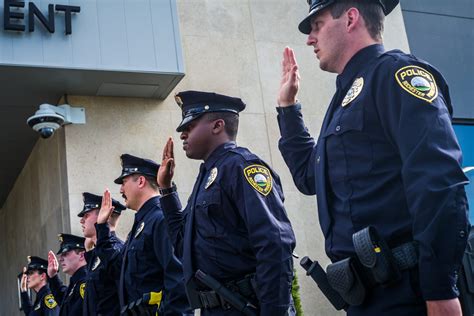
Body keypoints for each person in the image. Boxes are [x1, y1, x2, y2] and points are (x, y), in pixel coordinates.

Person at [276, 0, 469, 315]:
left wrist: (440, 290)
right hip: (365, 297)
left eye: (317, 25)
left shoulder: (397, 75)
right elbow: (310, 178)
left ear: (351, 18)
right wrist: (288, 109)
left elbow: (439, 185)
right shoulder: (344, 100)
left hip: (411, 294)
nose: (310, 39)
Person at [157, 90, 297, 315]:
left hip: (249, 307)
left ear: (217, 125)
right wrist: (166, 190)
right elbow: (183, 246)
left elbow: (275, 244)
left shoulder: (242, 167)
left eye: (190, 126)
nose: (182, 134)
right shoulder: (207, 177)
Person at [95, 154, 191, 315]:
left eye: (124, 182)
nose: (121, 189)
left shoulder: (160, 219)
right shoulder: (141, 224)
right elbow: (117, 268)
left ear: (140, 181)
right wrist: (102, 229)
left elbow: (179, 279)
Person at [79, 192, 126, 316]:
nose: (82, 221)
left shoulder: (116, 249)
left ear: (104, 215)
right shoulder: (97, 254)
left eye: (86, 215)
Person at [47, 233, 87, 316]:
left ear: (82, 255)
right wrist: (53, 276)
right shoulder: (76, 282)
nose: (60, 259)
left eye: (65, 254)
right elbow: (64, 301)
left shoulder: (85, 281)